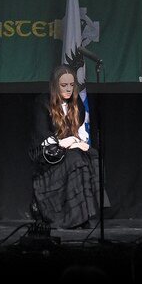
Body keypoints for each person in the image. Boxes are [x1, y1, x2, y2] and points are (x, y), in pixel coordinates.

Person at [28, 65, 105, 229]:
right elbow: (43, 137)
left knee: (91, 155)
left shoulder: (77, 104)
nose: (69, 89)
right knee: (77, 159)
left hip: (70, 151)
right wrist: (68, 142)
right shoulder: (42, 103)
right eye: (64, 85)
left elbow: (79, 131)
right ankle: (70, 216)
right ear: (55, 85)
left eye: (71, 85)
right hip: (49, 156)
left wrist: (78, 142)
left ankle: (85, 213)